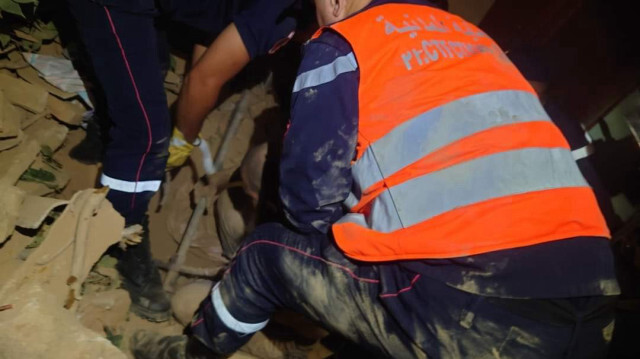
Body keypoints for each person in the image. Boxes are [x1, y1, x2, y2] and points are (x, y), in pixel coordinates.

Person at [131, 0, 620, 357]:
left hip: (478, 306)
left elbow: (308, 204)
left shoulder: (347, 40)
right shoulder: (470, 39)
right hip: (597, 303)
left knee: (265, 255)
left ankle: (189, 353)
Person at [66, 0, 306, 322]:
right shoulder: (283, 11)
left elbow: (215, 33)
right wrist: (182, 138)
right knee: (146, 137)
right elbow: (204, 79)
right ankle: (124, 235)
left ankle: (110, 121)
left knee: (150, 66)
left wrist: (197, 95)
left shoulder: (286, 13)